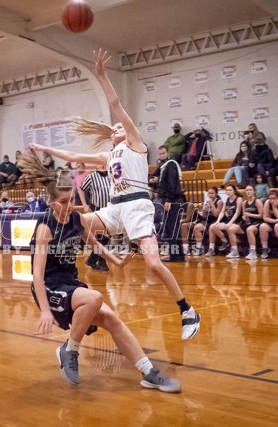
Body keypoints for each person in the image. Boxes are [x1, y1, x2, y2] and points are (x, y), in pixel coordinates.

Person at [29, 49, 200, 340]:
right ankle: (59, 272)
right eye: (115, 128)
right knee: (75, 222)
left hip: (137, 207)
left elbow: (116, 104)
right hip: (114, 209)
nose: (117, 128)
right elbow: (73, 156)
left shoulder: (136, 144)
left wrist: (103, 76)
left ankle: (187, 310)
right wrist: (44, 149)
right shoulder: (108, 157)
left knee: (154, 264)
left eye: (120, 126)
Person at [25, 155, 180, 392]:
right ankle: (70, 350)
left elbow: (95, 245)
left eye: (72, 199)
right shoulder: (46, 226)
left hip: (69, 283)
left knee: (112, 319)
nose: (70, 206)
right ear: (51, 203)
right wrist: (45, 311)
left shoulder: (76, 219)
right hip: (48, 286)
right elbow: (37, 274)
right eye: (64, 202)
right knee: (94, 298)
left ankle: (149, 372)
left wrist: (117, 261)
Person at [80, 166, 111, 271]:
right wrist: (84, 204)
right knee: (102, 236)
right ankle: (101, 262)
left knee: (105, 237)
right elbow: (81, 188)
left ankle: (93, 259)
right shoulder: (92, 176)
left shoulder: (112, 175)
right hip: (97, 208)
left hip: (110, 209)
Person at [157, 156, 187, 262]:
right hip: (170, 200)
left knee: (172, 229)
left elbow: (172, 184)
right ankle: (177, 255)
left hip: (171, 201)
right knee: (173, 229)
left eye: (163, 153)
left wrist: (168, 199)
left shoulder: (171, 164)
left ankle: (175, 256)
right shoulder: (165, 166)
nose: (161, 155)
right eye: (159, 153)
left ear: (168, 154)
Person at [183, 187, 223, 256]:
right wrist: (204, 210)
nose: (210, 195)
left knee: (211, 227)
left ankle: (211, 249)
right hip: (206, 220)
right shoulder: (206, 202)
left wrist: (212, 205)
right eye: (209, 193)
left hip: (215, 220)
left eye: (212, 193)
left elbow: (216, 214)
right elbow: (204, 216)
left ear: (216, 194)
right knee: (197, 227)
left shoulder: (219, 202)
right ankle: (199, 248)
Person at [206, 185, 243, 257]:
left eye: (230, 190)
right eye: (227, 190)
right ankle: (225, 242)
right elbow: (222, 212)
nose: (228, 192)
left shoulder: (239, 199)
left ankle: (235, 251)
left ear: (234, 191)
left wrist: (230, 223)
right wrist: (218, 221)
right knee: (213, 226)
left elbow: (237, 212)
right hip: (229, 221)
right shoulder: (227, 200)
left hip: (238, 221)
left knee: (230, 228)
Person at [240, 185, 264, 260]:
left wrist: (250, 215)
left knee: (249, 230)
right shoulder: (244, 203)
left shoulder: (257, 201)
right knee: (232, 229)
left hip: (257, 222)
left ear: (254, 192)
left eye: (250, 190)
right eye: (247, 190)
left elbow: (261, 215)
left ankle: (253, 252)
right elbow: (244, 214)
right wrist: (244, 217)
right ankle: (235, 250)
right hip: (248, 222)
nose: (248, 191)